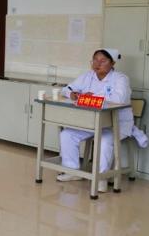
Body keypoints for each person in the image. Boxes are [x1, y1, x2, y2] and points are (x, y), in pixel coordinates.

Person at [57, 48, 132, 192]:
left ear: (112, 63)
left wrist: (94, 96)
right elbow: (66, 89)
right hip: (92, 122)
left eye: (103, 61)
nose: (97, 64)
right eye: (95, 60)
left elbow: (119, 99)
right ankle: (72, 171)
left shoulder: (120, 78)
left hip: (116, 124)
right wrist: (71, 94)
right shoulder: (87, 76)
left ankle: (101, 178)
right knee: (67, 134)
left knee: (104, 140)